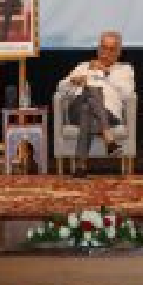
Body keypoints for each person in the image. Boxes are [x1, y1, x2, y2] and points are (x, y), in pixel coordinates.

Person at [56, 31, 135, 178]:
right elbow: (60, 88)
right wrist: (72, 81)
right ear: (98, 49)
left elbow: (127, 93)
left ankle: (81, 166)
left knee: (87, 107)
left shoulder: (125, 69)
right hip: (76, 110)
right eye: (103, 48)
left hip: (108, 114)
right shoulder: (83, 66)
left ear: (118, 52)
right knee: (89, 93)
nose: (106, 53)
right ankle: (108, 136)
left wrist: (106, 73)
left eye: (111, 49)